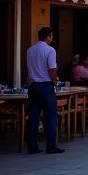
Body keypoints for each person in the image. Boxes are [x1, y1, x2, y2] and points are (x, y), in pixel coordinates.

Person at [26, 26, 63, 155]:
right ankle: (51, 145)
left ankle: (31, 145)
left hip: (33, 86)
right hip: (45, 85)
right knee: (51, 115)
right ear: (48, 37)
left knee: (33, 117)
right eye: (51, 36)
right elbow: (52, 69)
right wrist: (55, 82)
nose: (52, 38)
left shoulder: (30, 50)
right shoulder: (50, 50)